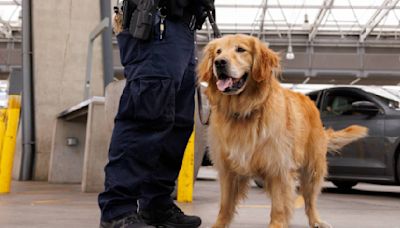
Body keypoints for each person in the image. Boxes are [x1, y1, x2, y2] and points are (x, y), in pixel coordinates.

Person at [98, 0, 215, 227]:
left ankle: (156, 204)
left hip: (183, 27)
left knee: (178, 124)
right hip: (155, 21)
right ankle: (117, 211)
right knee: (144, 119)